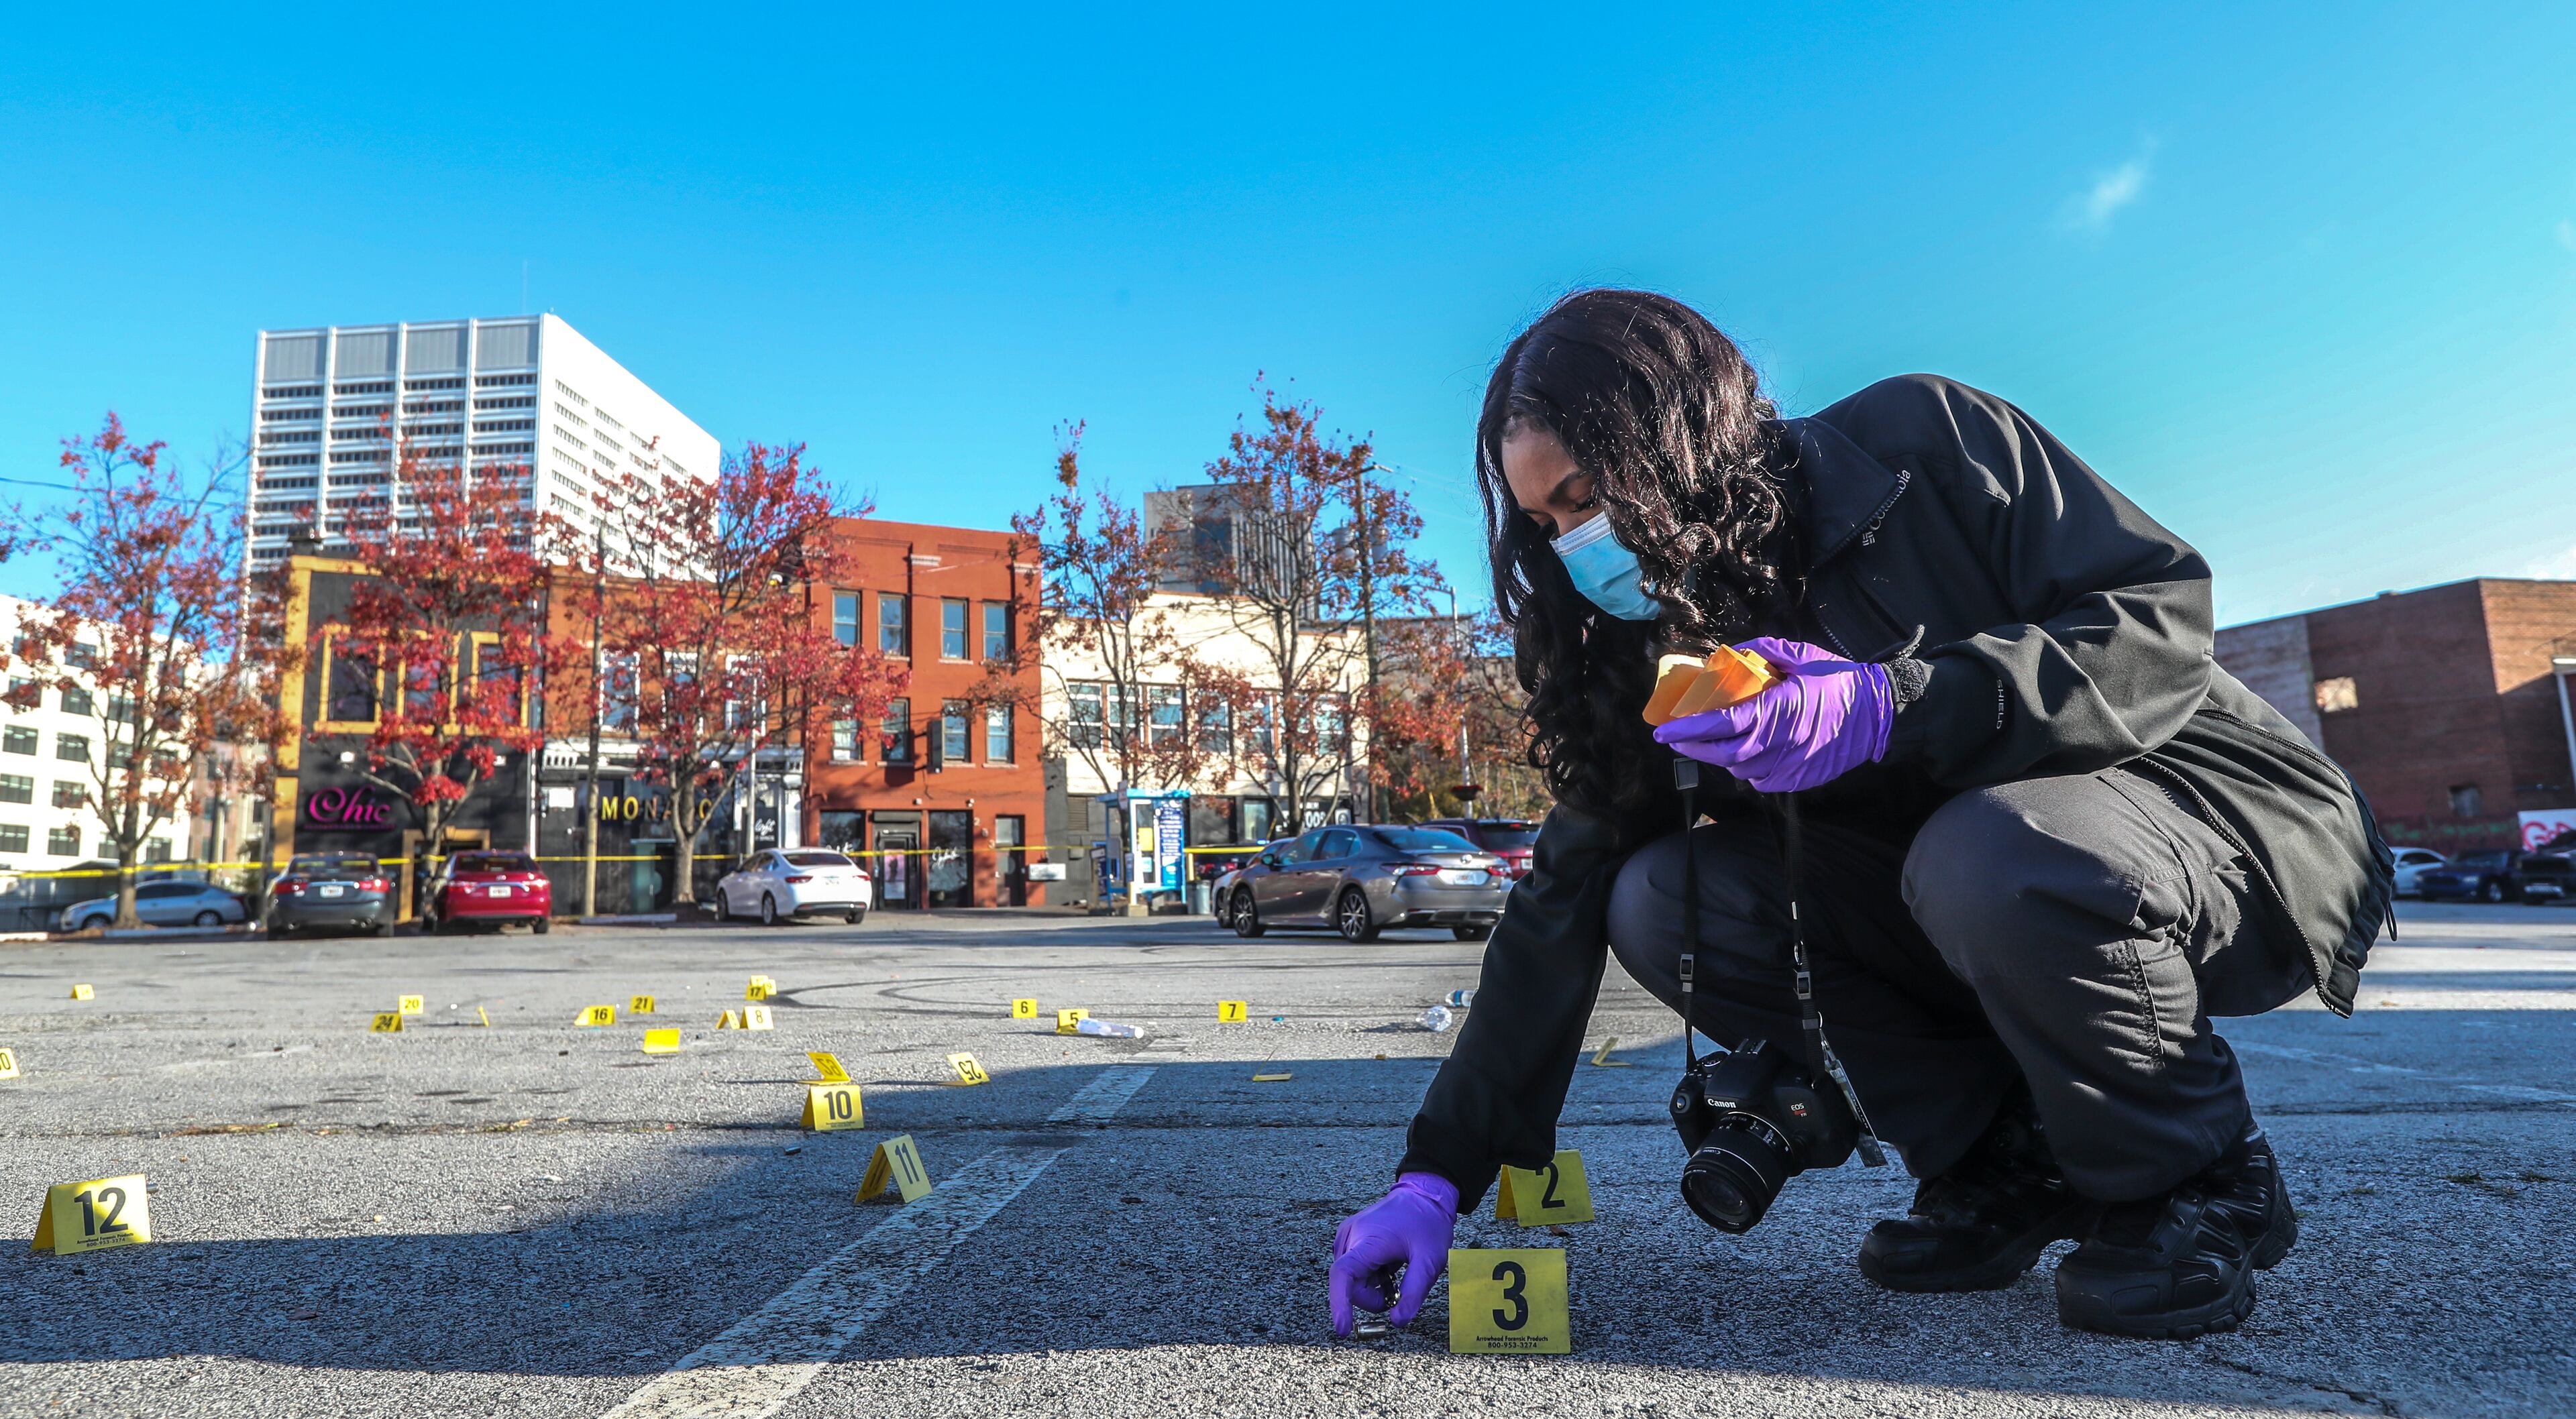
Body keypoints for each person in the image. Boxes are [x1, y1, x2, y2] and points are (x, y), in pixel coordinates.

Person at [1327, 289, 2392, 1341]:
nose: (1577, 542)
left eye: (1589, 494)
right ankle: (2000, 1161)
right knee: (1658, 899)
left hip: (2221, 831)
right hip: (1982, 894)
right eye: (1548, 521)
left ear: (1680, 439)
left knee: (1987, 849)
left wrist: (1897, 698)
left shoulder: (1923, 442)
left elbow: (2160, 621)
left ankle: (2199, 1176)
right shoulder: (1657, 645)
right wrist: (1435, 1178)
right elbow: (1562, 893)